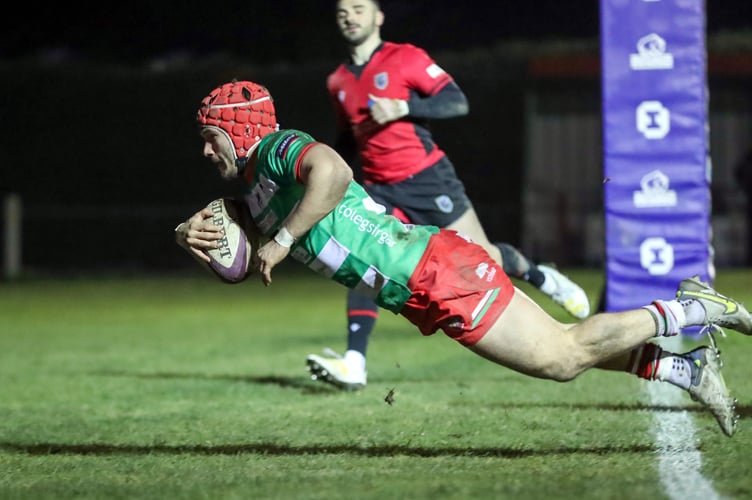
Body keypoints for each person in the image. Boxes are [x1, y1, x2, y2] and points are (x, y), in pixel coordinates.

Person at [176, 80, 751, 437]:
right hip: (420, 287)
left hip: (433, 270)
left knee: (561, 355)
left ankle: (686, 311)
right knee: (550, 353)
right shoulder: (249, 193)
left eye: (211, 137)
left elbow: (334, 170)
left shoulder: (276, 150)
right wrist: (193, 242)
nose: (204, 150)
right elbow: (243, 267)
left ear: (239, 129)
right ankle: (686, 368)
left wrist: (280, 240)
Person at [306, 0, 590, 391]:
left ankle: (543, 276)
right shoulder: (337, 81)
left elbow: (455, 101)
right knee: (365, 264)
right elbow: (345, 140)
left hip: (426, 179)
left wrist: (403, 107)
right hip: (377, 188)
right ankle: (355, 363)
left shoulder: (405, 58)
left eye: (359, 8)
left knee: (484, 256)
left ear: (378, 16)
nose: (350, 16)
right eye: (342, 12)